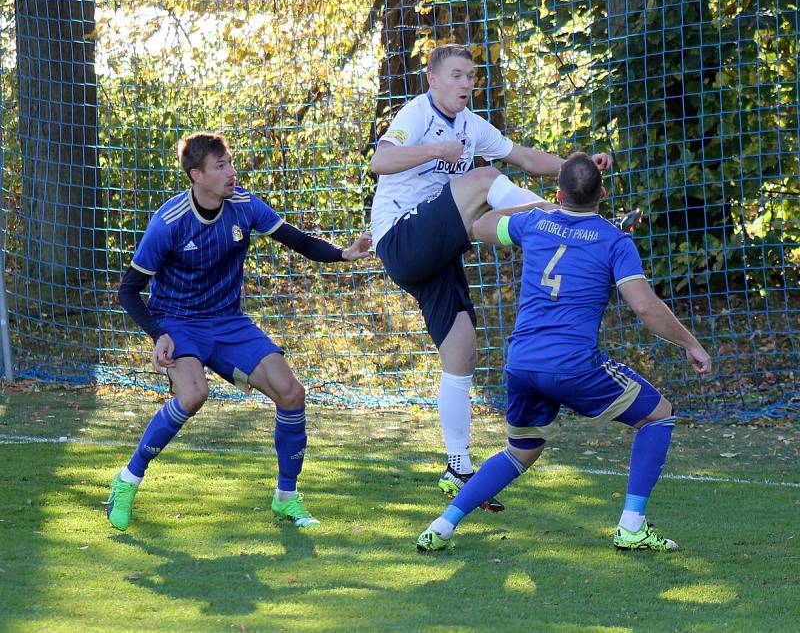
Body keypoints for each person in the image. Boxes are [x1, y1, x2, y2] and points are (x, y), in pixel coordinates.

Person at [370, 43, 628, 511]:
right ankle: (557, 217)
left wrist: (579, 167)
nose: (466, 83)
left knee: (462, 351)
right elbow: (380, 161)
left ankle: (457, 466)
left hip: (435, 246)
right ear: (431, 79)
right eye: (456, 75)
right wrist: (434, 150)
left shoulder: (470, 125)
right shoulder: (416, 114)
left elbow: (526, 157)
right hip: (401, 237)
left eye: (470, 75)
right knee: (485, 181)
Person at [415, 152, 711, 552]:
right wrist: (691, 343)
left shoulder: (535, 222)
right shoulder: (614, 240)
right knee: (658, 416)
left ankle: (443, 525)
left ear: (558, 192)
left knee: (521, 452)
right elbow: (644, 307)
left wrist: (541, 206)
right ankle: (631, 526)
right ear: (602, 194)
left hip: (521, 363)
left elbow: (478, 224)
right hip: (573, 366)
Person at [107, 132, 371, 531]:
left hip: (228, 321)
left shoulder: (245, 205)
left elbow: (295, 240)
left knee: (291, 392)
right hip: (178, 322)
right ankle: (127, 479)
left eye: (230, 162)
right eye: (221, 166)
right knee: (193, 395)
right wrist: (158, 333)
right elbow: (128, 290)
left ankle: (286, 497)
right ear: (196, 175)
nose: (232, 172)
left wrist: (343, 253)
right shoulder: (169, 222)